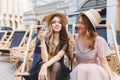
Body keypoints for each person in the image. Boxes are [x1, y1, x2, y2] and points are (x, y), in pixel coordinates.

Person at [69, 9, 114, 80]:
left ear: (89, 26)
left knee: (91, 70)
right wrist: (71, 47)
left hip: (95, 70)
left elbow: (104, 63)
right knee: (79, 68)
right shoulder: (74, 38)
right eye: (79, 22)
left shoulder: (99, 40)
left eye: (82, 23)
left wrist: (111, 76)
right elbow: (71, 59)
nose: (79, 26)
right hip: (80, 71)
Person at [26, 12, 70, 80]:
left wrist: (45, 66)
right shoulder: (45, 39)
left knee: (56, 65)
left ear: (62, 25)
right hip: (44, 65)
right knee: (46, 67)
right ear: (51, 25)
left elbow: (59, 56)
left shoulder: (65, 41)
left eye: (59, 22)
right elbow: (45, 59)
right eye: (54, 22)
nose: (57, 24)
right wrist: (42, 41)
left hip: (58, 69)